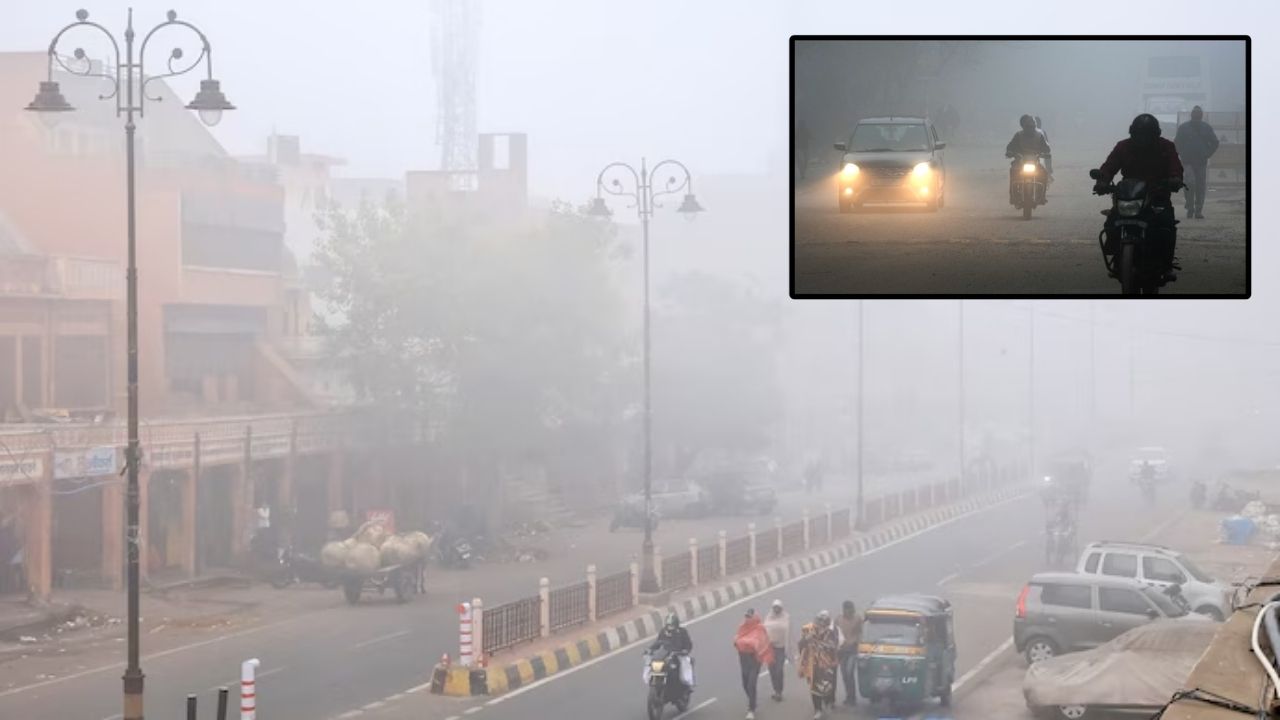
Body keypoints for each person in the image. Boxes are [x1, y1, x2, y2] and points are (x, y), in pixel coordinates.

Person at [1093, 113, 1185, 281]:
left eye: (1147, 134)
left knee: (1167, 224)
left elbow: (1175, 167)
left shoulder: (1166, 147)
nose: (1143, 138)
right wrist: (1102, 181)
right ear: (1132, 133)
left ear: (1156, 134)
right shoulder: (1123, 147)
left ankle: (1166, 264)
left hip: (1157, 195)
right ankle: (1115, 254)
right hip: (1128, 195)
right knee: (1112, 221)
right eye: (1139, 134)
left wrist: (1175, 180)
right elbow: (1109, 166)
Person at [1174, 106, 1220, 219]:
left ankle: (1198, 210)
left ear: (1201, 115)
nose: (1196, 115)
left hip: (1201, 161)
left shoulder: (1206, 128)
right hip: (1188, 161)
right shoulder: (1183, 128)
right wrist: (1181, 153)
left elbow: (1215, 142)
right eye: (1195, 113)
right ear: (1192, 115)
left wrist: (1207, 154)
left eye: (1198, 113)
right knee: (1189, 183)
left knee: (1200, 186)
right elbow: (1177, 142)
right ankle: (1190, 207)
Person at [798, 610, 839, 719]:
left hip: (827, 664)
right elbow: (800, 646)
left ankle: (828, 702)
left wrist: (824, 645)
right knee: (813, 687)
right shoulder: (809, 630)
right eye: (819, 620)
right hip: (813, 664)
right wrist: (807, 639)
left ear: (827, 621)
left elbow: (835, 646)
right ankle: (817, 709)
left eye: (824, 620)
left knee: (826, 687)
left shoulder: (832, 631)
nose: (821, 623)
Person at [734, 609, 775, 720]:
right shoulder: (742, 627)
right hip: (743, 660)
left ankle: (751, 709)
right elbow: (737, 641)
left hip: (754, 661)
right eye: (746, 616)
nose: (747, 619)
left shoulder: (760, 628)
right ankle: (753, 700)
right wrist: (740, 642)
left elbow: (759, 643)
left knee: (751, 684)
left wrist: (746, 643)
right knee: (745, 684)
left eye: (749, 617)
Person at [1005, 114, 1053, 202]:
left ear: (1035, 126)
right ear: (1024, 127)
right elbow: (1010, 146)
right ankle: (1013, 195)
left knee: (1044, 174)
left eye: (1032, 127)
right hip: (1020, 161)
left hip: (1035, 160)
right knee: (1013, 173)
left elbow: (1046, 148)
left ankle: (1042, 196)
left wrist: (1045, 153)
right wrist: (1010, 153)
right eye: (1028, 127)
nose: (1030, 129)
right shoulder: (1018, 135)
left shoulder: (1039, 135)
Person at [651, 613, 695, 689]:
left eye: (672, 626)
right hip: (666, 655)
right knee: (654, 664)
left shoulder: (682, 632)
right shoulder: (663, 632)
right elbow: (657, 643)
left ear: (676, 625)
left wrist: (685, 651)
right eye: (668, 626)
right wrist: (650, 650)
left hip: (679, 655)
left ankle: (688, 684)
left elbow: (688, 644)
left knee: (685, 666)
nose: (670, 628)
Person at [835, 600, 864, 706]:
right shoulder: (838, 619)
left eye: (850, 610)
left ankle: (853, 697)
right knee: (844, 675)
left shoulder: (858, 618)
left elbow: (862, 632)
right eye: (846, 610)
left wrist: (857, 641)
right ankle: (849, 696)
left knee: (849, 672)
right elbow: (834, 632)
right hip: (842, 651)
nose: (848, 612)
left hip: (852, 650)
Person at [763, 599, 792, 700]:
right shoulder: (768, 617)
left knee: (779, 670)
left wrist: (788, 649)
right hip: (770, 648)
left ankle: (780, 691)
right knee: (772, 670)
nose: (776, 609)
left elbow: (788, 633)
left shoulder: (786, 618)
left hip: (781, 648)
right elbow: (764, 631)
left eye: (778, 608)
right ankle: (776, 690)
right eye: (775, 607)